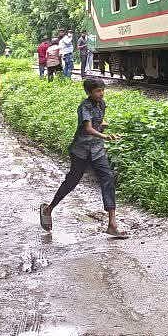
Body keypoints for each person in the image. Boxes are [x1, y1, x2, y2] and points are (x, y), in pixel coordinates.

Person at [39, 78, 128, 238]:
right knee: (72, 182)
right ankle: (49, 209)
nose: (101, 93)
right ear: (89, 92)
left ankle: (112, 224)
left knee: (108, 178)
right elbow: (87, 129)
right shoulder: (84, 106)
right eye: (97, 91)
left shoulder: (101, 104)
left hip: (97, 149)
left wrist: (102, 125)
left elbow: (97, 122)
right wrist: (105, 136)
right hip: (81, 150)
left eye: (102, 90)